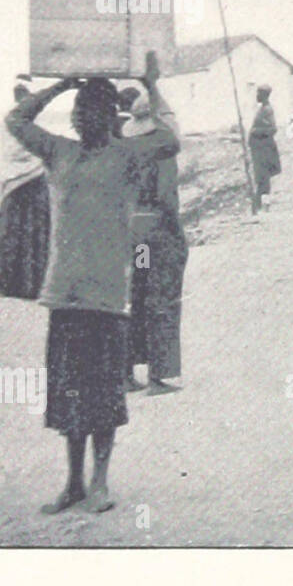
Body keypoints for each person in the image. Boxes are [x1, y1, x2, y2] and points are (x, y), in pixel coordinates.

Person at [5, 57, 179, 515]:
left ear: (110, 118)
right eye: (80, 111)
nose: (84, 118)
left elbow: (168, 140)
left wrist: (150, 85)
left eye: (92, 111)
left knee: (102, 396)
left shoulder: (126, 155)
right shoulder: (58, 151)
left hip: (106, 297)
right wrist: (61, 86)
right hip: (64, 293)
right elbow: (15, 119)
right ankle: (73, 483)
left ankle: (100, 483)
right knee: (68, 396)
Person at [122, 85, 187, 395]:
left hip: (137, 234)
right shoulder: (161, 149)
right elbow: (165, 196)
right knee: (161, 297)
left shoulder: (127, 147)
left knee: (138, 293)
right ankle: (159, 375)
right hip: (158, 231)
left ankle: (127, 371)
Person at [0, 83, 51, 300]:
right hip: (31, 179)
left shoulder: (9, 119)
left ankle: (8, 284)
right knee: (30, 233)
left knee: (14, 232)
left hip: (13, 181)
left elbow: (3, 152)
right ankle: (27, 285)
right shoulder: (27, 121)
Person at [248, 85, 281, 207]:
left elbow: (272, 128)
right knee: (260, 174)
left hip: (264, 147)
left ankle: (263, 202)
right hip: (258, 147)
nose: (256, 96)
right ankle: (261, 201)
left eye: (259, 93)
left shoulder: (267, 109)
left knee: (263, 175)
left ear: (264, 95)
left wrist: (256, 132)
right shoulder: (262, 109)